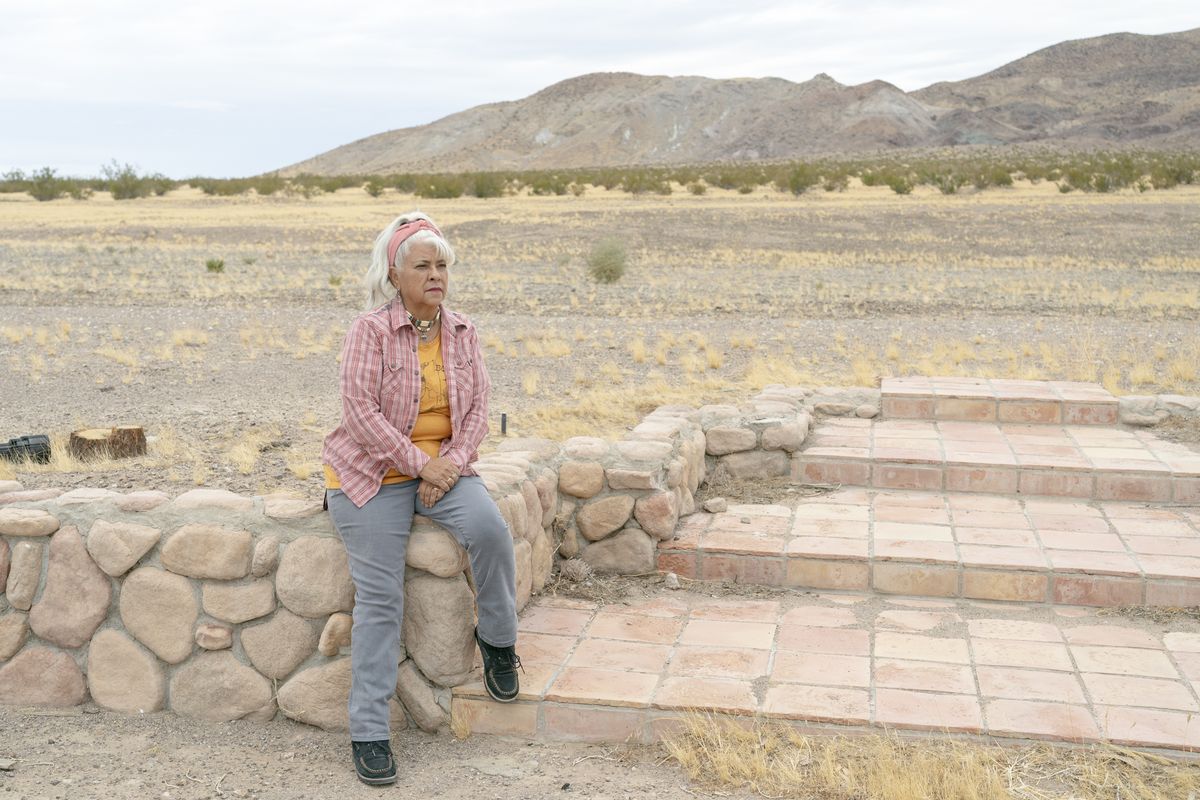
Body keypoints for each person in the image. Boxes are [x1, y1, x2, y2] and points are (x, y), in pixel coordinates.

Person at [321, 212, 519, 786]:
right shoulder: (370, 330)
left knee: (490, 532)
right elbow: (359, 415)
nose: (436, 275)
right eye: (423, 266)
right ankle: (369, 731)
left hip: (444, 469)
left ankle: (499, 641)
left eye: (442, 266)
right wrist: (419, 464)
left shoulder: (462, 330)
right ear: (395, 274)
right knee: (380, 596)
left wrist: (450, 465)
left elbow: (479, 408)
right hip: (372, 473)